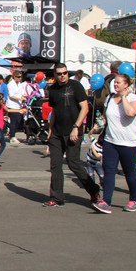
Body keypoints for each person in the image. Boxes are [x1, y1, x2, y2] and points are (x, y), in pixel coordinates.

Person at [42, 63, 101, 207]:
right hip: (57, 133)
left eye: (65, 73)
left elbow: (85, 108)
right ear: (55, 75)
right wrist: (50, 130)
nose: (62, 76)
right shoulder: (52, 89)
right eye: (59, 74)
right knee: (55, 165)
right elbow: (54, 111)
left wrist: (76, 127)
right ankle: (56, 197)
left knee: (73, 163)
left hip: (73, 132)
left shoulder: (76, 86)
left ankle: (94, 190)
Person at [94, 73, 136, 213]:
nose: (115, 84)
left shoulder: (133, 98)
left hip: (129, 143)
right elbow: (106, 116)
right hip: (110, 142)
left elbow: (130, 113)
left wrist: (123, 97)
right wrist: (99, 126)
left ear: (126, 85)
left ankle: (134, 200)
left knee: (129, 173)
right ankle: (106, 202)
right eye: (114, 82)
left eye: (118, 82)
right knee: (109, 171)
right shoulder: (109, 98)